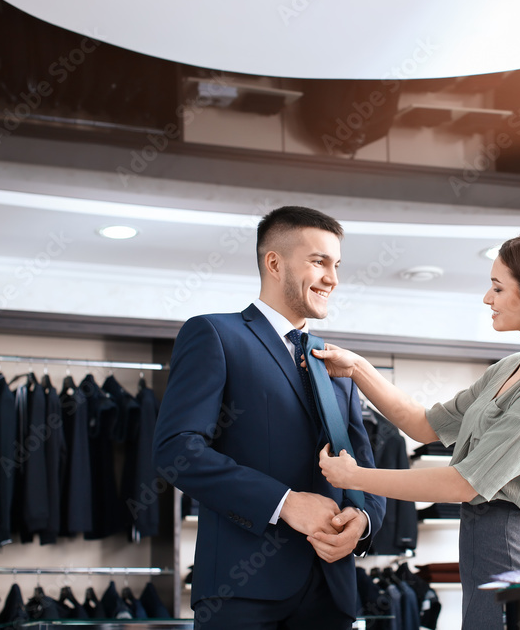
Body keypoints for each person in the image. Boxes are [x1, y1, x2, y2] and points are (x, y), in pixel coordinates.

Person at [316, 230, 520, 629]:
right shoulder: (508, 368)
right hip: (481, 548)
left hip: (512, 549)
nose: (486, 298)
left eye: (497, 287)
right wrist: (358, 368)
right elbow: (423, 425)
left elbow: (464, 484)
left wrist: (354, 477)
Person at [153, 206, 386, 629]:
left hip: (332, 593)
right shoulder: (215, 335)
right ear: (274, 263)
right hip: (242, 591)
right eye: (319, 262)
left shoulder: (337, 364)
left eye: (336, 265)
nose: (333, 278)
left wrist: (363, 521)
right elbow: (177, 451)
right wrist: (286, 504)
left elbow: (365, 470)